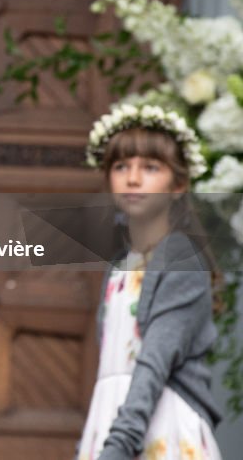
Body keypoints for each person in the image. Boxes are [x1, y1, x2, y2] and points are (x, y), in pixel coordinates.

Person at [77, 105, 222, 460]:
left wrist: (121, 444)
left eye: (151, 167)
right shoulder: (121, 265)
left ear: (179, 185)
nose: (133, 178)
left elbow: (155, 362)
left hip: (161, 425)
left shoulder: (180, 259)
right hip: (114, 421)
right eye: (121, 166)